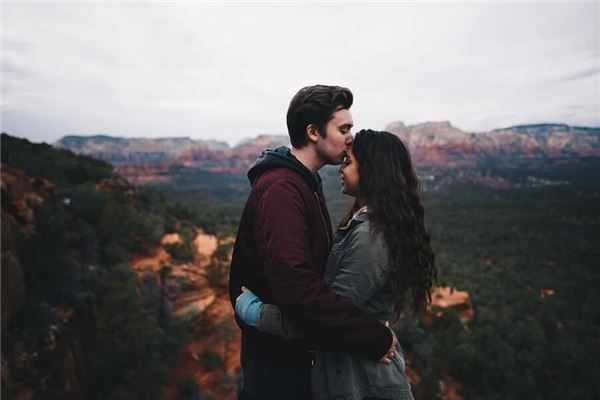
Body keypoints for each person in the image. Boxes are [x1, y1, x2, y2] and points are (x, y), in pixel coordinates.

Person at [236, 129, 437, 400]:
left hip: (365, 384)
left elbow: (326, 318)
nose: (341, 168)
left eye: (348, 162)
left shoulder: (370, 237)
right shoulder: (366, 225)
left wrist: (257, 313)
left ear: (371, 171)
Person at [229, 86, 397, 400]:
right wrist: (373, 337)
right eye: (343, 129)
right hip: (279, 372)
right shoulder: (282, 189)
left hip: (297, 360)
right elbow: (299, 292)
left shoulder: (305, 183)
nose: (350, 138)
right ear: (313, 132)